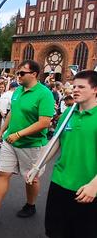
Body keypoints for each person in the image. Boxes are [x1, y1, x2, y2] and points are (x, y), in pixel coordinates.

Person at [0, 60, 54, 221]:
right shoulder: (18, 91)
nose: (18, 75)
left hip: (32, 145)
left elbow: (45, 122)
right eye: (18, 73)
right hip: (10, 141)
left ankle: (30, 205)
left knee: (31, 178)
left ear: (34, 74)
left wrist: (19, 134)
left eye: (22, 73)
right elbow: (12, 112)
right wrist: (2, 131)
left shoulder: (44, 93)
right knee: (2, 173)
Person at [43, 70, 97, 238]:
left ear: (95, 89)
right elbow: (56, 142)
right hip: (60, 182)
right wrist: (39, 165)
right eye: (74, 86)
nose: (75, 90)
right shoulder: (68, 113)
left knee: (82, 233)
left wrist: (94, 185)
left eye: (81, 86)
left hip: (87, 188)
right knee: (54, 230)